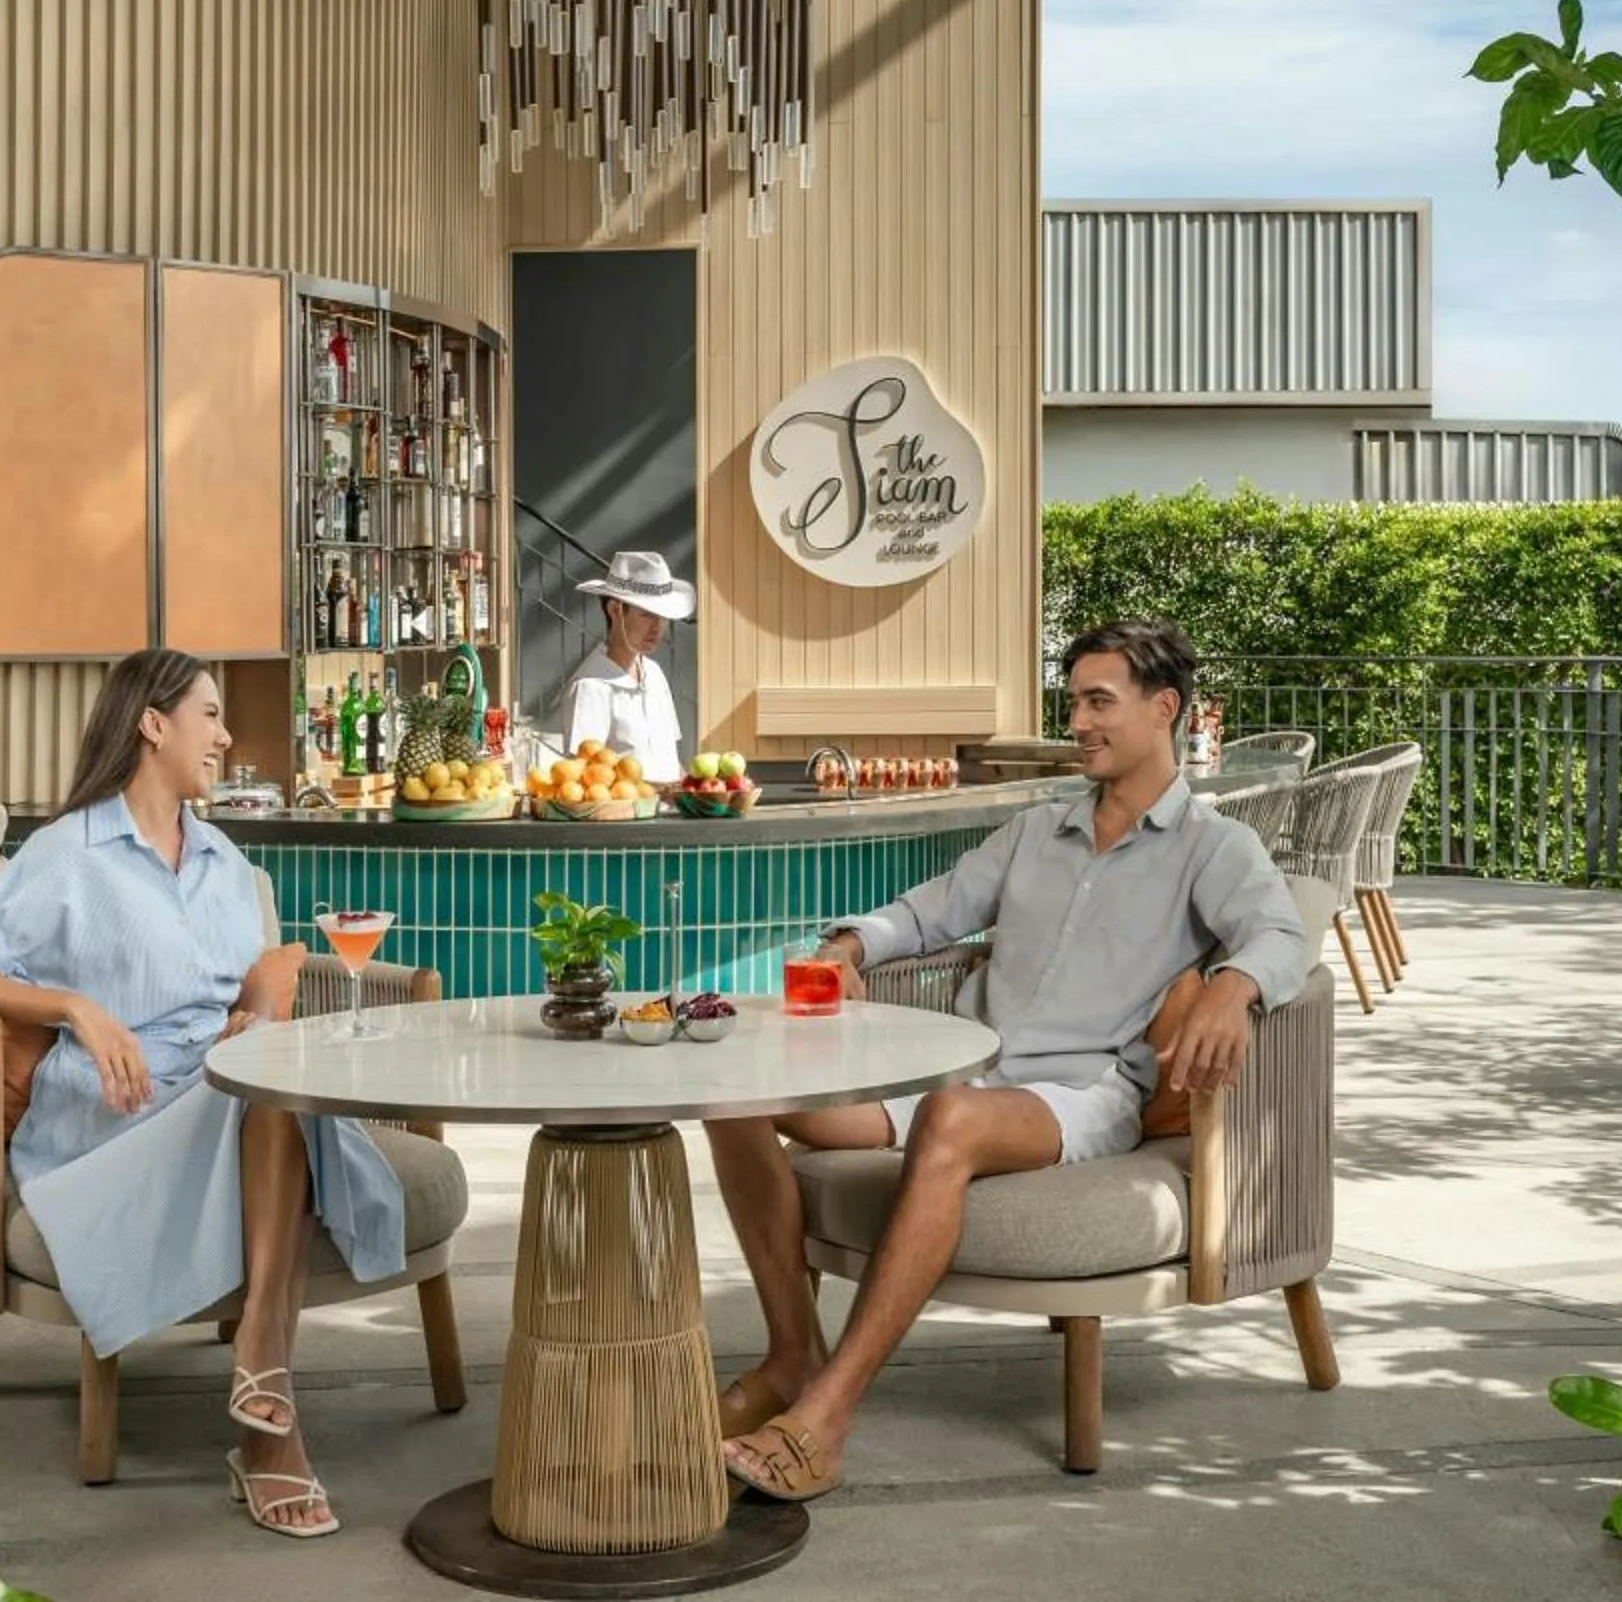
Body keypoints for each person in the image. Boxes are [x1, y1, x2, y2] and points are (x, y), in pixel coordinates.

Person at [700, 617, 1309, 1501]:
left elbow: (1282, 934)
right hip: (968, 1081)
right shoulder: (1036, 832)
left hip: (1080, 1096)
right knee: (737, 1090)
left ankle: (826, 1416)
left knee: (950, 1115)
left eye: (1101, 702)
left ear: (1163, 709)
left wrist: (1233, 985)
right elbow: (930, 911)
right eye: (1076, 704)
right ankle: (794, 1355)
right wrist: (852, 944)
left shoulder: (1212, 847)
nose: (1081, 723)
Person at [0, 648, 404, 1541]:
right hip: (112, 1125)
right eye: (210, 715)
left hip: (219, 1096)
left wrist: (253, 1007)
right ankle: (267, 1427)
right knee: (273, 1088)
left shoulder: (222, 859)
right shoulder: (67, 854)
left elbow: (240, 993)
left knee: (268, 1075)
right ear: (153, 723)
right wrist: (76, 1006)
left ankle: (264, 1374)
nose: (225, 736)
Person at [551, 549, 693, 782]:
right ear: (615, 610)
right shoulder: (590, 687)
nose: (657, 627)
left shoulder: (654, 674)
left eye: (663, 616)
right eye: (647, 614)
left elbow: (670, 760)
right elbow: (585, 778)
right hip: (624, 815)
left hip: (671, 814)